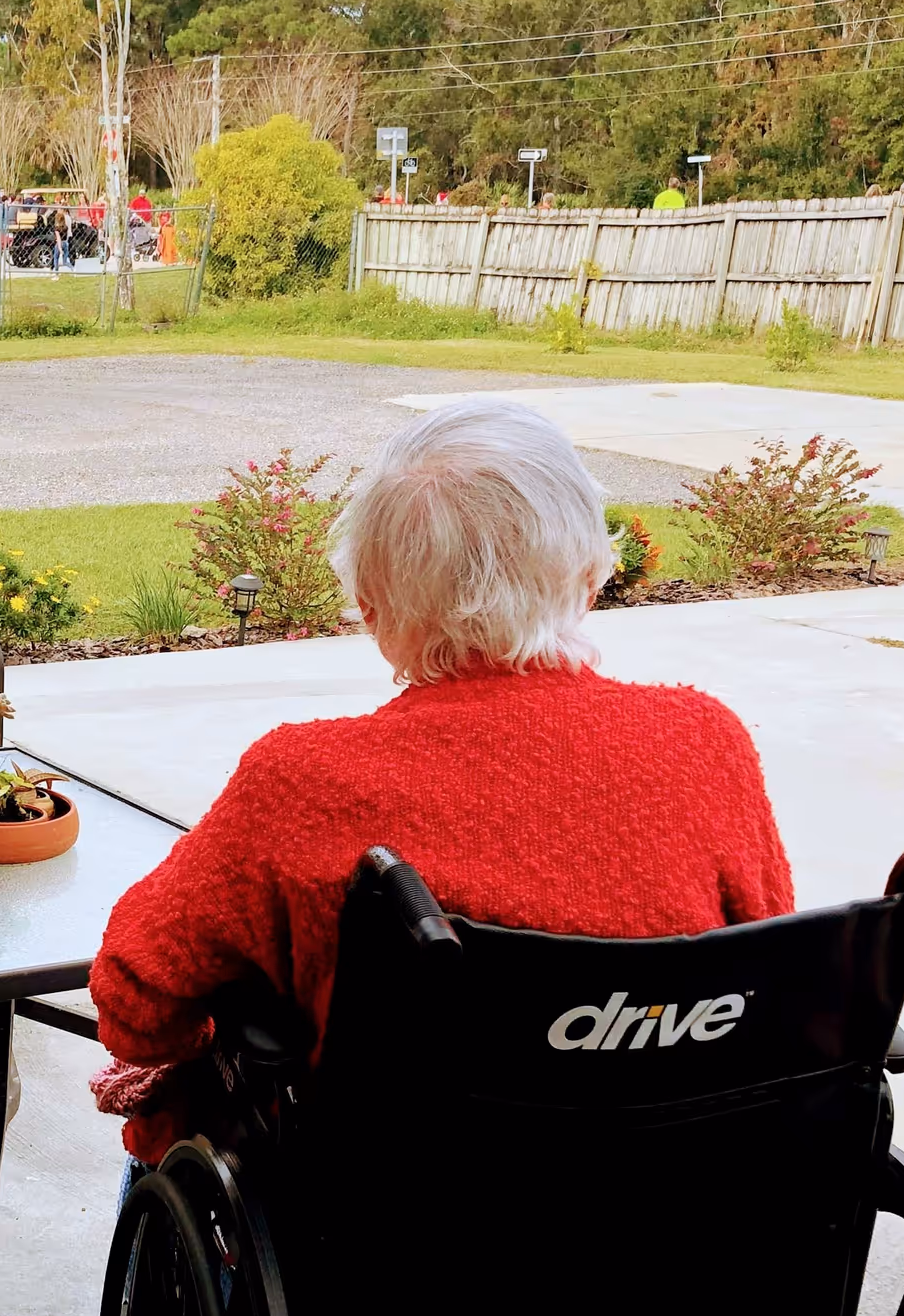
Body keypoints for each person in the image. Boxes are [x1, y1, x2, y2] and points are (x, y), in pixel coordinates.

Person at [89, 399, 792, 1163]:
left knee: (180, 1111)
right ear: (594, 576)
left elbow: (136, 1002)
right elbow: (773, 980)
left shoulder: (301, 782)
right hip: (682, 1197)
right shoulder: (706, 741)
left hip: (395, 1212)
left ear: (371, 608)